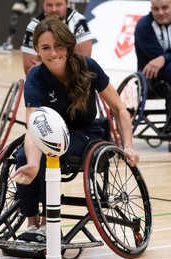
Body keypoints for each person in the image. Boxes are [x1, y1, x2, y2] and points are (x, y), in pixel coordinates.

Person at [11, 18, 139, 243]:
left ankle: (49, 224)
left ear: (69, 47)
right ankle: (33, 225)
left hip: (85, 134)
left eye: (59, 46)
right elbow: (33, 126)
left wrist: (127, 146)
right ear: (37, 51)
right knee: (24, 156)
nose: (53, 53)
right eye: (46, 48)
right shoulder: (35, 77)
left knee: (48, 152)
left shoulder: (88, 66)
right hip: (48, 133)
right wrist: (30, 162)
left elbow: (119, 108)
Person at [21, 0, 93, 74]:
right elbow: (30, 70)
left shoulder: (79, 22)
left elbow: (83, 65)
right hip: (45, 80)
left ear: (67, 4)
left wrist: (48, 67)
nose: (54, 9)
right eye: (49, 5)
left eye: (58, 5)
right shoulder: (33, 26)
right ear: (43, 5)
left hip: (72, 78)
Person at [134, 0, 171, 133]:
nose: (160, 13)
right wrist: (163, 58)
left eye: (165, 8)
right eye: (156, 9)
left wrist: (164, 58)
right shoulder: (143, 26)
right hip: (152, 80)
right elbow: (155, 56)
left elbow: (161, 59)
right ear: (151, 9)